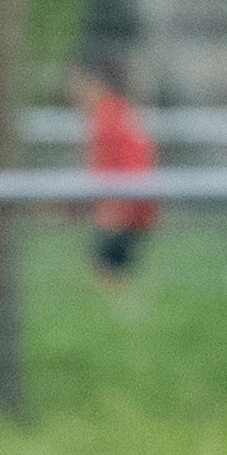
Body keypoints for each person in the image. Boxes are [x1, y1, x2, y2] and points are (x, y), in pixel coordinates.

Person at [73, 55, 157, 291]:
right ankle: (127, 315)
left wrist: (114, 210)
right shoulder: (119, 111)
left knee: (108, 272)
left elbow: (117, 167)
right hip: (135, 202)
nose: (77, 95)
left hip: (124, 205)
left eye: (80, 86)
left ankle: (126, 317)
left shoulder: (106, 118)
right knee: (113, 270)